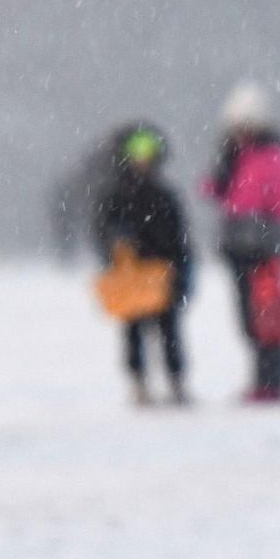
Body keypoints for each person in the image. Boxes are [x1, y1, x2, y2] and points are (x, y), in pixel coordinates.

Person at [203, 82, 280, 403]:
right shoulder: (235, 154)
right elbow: (221, 193)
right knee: (251, 316)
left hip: (262, 248)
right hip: (239, 246)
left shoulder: (271, 154)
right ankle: (264, 381)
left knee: (267, 315)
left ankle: (271, 383)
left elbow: (268, 200)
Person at [93, 123, 192, 407]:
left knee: (169, 330)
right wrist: (117, 248)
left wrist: (181, 269)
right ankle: (138, 383)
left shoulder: (165, 196)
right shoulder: (114, 196)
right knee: (133, 330)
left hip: (162, 275)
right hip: (131, 276)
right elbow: (102, 233)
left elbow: (179, 238)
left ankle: (176, 382)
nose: (142, 159)